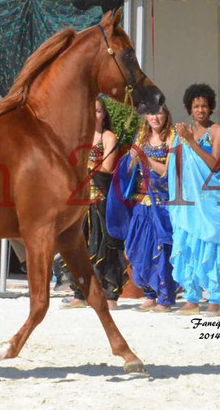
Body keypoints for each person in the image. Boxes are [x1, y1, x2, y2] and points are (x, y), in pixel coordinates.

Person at [168, 83, 220, 317]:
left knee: (212, 246)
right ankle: (191, 297)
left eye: (204, 106)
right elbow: (173, 168)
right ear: (189, 109)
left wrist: (190, 141)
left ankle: (214, 299)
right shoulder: (182, 133)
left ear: (211, 108)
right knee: (189, 246)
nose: (200, 110)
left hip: (211, 202)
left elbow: (214, 163)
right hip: (189, 203)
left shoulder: (217, 131)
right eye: (196, 106)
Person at [106, 105, 178, 312]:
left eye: (160, 113)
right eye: (152, 113)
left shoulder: (172, 138)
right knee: (138, 247)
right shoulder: (141, 136)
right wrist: (130, 160)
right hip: (140, 202)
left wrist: (145, 160)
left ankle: (165, 296)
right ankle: (150, 294)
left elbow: (168, 171)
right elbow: (130, 170)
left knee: (162, 248)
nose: (155, 117)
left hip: (162, 204)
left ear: (166, 115)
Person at [59, 95, 127, 310]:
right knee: (76, 244)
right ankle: (79, 293)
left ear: (103, 114)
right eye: (91, 110)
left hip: (100, 198)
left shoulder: (108, 137)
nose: (94, 115)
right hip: (78, 199)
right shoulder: (78, 137)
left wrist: (82, 163)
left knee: (105, 244)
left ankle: (110, 295)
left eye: (98, 111)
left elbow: (106, 167)